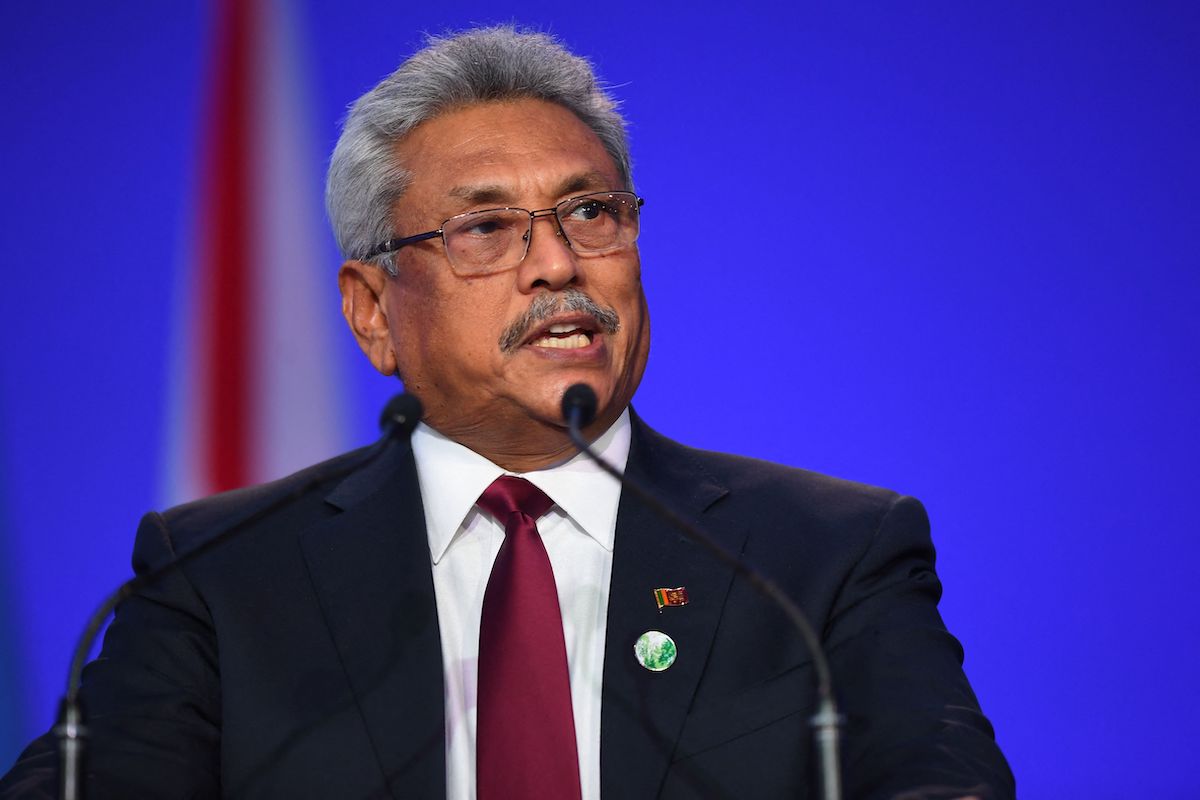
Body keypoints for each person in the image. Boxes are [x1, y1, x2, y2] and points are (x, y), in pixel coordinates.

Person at [1, 26, 1013, 800]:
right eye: (486, 227)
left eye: (591, 212)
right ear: (373, 311)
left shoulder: (822, 558)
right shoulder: (220, 576)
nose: (558, 263)